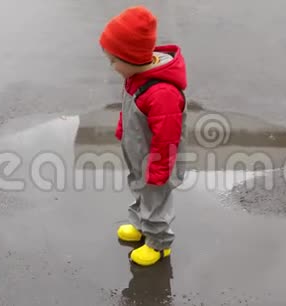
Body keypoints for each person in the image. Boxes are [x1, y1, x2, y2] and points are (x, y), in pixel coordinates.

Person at [99, 5, 188, 266]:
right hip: (140, 156)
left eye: (114, 60)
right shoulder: (135, 77)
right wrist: (122, 130)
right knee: (139, 189)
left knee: (156, 200)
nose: (112, 66)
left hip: (158, 162)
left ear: (131, 58)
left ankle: (159, 244)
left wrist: (159, 169)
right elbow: (129, 109)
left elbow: (167, 136)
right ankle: (141, 225)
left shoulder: (161, 93)